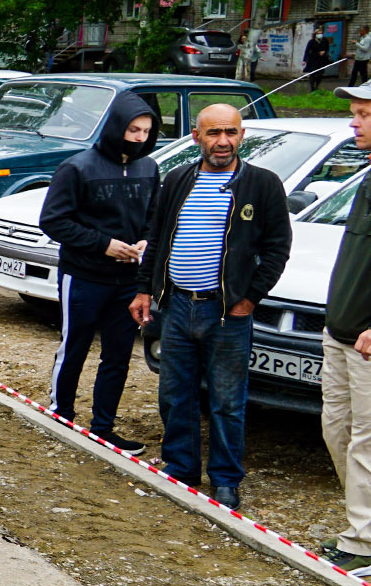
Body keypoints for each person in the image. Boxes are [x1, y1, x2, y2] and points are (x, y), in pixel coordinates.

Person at [131, 104, 294, 511]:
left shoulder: (262, 184)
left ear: (242, 136)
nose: (223, 141)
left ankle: (225, 481)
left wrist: (248, 299)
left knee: (226, 401)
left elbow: (277, 251)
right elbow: (156, 237)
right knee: (174, 394)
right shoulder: (178, 178)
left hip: (226, 314)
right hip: (178, 308)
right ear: (195, 136)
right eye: (213, 133)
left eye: (231, 132)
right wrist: (144, 289)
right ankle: (181, 469)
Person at [39, 94, 160, 456]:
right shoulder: (77, 168)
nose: (139, 137)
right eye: (133, 129)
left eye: (146, 131)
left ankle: (104, 427)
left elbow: (155, 218)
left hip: (128, 281)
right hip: (84, 275)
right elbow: (53, 221)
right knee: (74, 345)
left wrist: (145, 241)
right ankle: (61, 414)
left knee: (118, 354)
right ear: (115, 127)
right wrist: (102, 244)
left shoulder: (149, 168)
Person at [320, 84, 371, 573]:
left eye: (362, 115)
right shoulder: (367, 175)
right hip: (340, 332)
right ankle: (362, 525)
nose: (353, 124)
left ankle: (364, 542)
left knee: (367, 441)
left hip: (368, 341)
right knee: (338, 431)